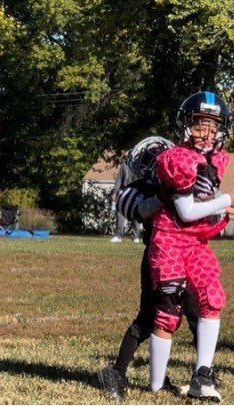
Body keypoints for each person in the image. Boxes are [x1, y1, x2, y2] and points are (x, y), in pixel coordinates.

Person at [145, 91, 234, 401]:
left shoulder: (216, 158)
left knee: (213, 297)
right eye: (199, 126)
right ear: (185, 126)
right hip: (170, 240)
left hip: (196, 242)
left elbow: (202, 204)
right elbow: (186, 210)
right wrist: (227, 200)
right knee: (169, 309)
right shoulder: (177, 158)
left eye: (212, 127)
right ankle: (155, 386)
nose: (206, 134)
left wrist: (222, 209)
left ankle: (202, 374)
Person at [97, 136, 201, 400]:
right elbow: (138, 209)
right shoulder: (137, 190)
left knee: (196, 314)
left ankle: (200, 375)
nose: (156, 167)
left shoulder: (184, 181)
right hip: (160, 258)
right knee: (150, 317)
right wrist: (164, 195)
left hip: (187, 255)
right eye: (150, 161)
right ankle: (117, 371)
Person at [110, 160, 142, 244]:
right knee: (119, 211)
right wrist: (115, 193)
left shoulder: (141, 164)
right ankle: (118, 235)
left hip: (136, 190)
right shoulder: (124, 165)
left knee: (136, 213)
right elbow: (119, 180)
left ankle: (135, 236)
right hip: (124, 190)